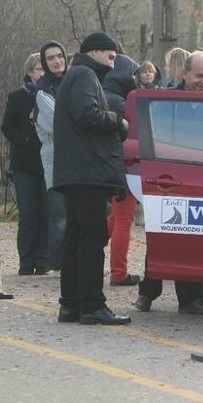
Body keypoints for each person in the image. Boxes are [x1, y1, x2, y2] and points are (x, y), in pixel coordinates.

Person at [53, 31, 130, 325]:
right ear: (94, 51)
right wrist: (118, 122)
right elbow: (88, 115)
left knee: (76, 237)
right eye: (110, 53)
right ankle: (92, 305)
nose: (113, 59)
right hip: (87, 173)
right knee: (91, 239)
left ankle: (71, 305)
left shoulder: (77, 75)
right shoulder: (84, 74)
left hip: (76, 172)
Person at [133, 52, 203, 315]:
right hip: (169, 182)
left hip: (201, 183)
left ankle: (189, 299)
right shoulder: (167, 102)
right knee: (161, 240)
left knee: (195, 242)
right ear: (184, 75)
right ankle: (147, 293)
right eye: (200, 76)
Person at [2, 53, 48, 276]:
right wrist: (26, 141)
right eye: (39, 69)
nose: (43, 73)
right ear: (30, 72)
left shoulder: (52, 94)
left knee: (47, 211)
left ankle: (43, 259)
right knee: (29, 212)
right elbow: (8, 126)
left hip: (48, 162)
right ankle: (26, 260)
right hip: (25, 163)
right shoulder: (17, 97)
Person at [103, 54, 143, 284]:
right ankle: (119, 273)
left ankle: (87, 254)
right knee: (123, 219)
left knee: (115, 217)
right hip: (124, 166)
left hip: (113, 165)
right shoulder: (120, 102)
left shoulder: (106, 96)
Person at [34, 41, 68, 272]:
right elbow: (58, 123)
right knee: (60, 215)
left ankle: (73, 259)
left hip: (77, 159)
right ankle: (58, 261)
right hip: (55, 158)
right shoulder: (42, 90)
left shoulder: (72, 83)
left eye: (59, 56)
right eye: (51, 58)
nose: (57, 61)